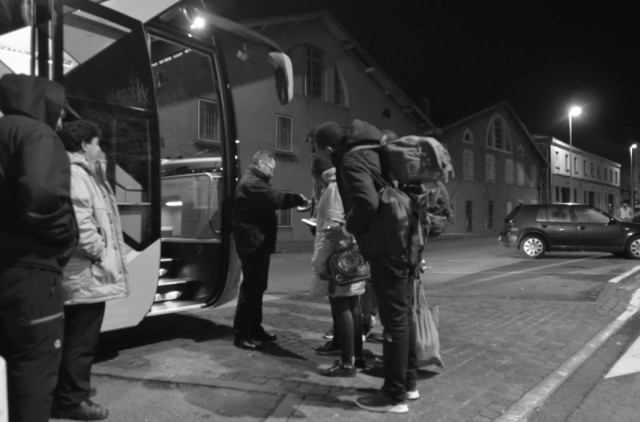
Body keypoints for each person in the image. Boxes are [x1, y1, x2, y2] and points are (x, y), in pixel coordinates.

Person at [313, 120, 418, 414]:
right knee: (403, 316)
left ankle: (394, 395)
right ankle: (408, 385)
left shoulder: (350, 158)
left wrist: (347, 228)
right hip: (404, 237)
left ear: (330, 147)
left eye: (322, 152)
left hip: (387, 245)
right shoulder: (371, 148)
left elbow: (367, 202)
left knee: (394, 319)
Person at [0, 74, 78, 422]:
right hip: (30, 272)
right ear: (44, 104)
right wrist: (64, 236)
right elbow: (43, 197)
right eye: (60, 110)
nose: (61, 119)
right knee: (33, 371)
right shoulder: (36, 134)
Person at [50, 120, 130, 420]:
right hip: (85, 272)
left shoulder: (81, 172)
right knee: (81, 341)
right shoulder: (76, 174)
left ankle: (69, 390)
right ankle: (73, 400)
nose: (100, 148)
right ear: (84, 145)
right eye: (97, 143)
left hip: (84, 271)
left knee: (75, 338)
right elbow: (82, 225)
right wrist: (99, 253)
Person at [232, 150, 308, 350]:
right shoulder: (251, 183)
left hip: (258, 243)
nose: (272, 173)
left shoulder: (255, 182)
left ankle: (255, 329)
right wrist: (298, 199)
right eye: (271, 168)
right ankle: (240, 334)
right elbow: (275, 198)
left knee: (257, 288)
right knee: (250, 290)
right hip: (252, 244)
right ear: (261, 164)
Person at [309, 143, 366, 376]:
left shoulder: (332, 189)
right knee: (353, 306)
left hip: (340, 259)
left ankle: (347, 362)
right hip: (353, 253)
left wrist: (319, 262)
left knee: (343, 306)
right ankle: (357, 356)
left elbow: (330, 232)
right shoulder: (348, 182)